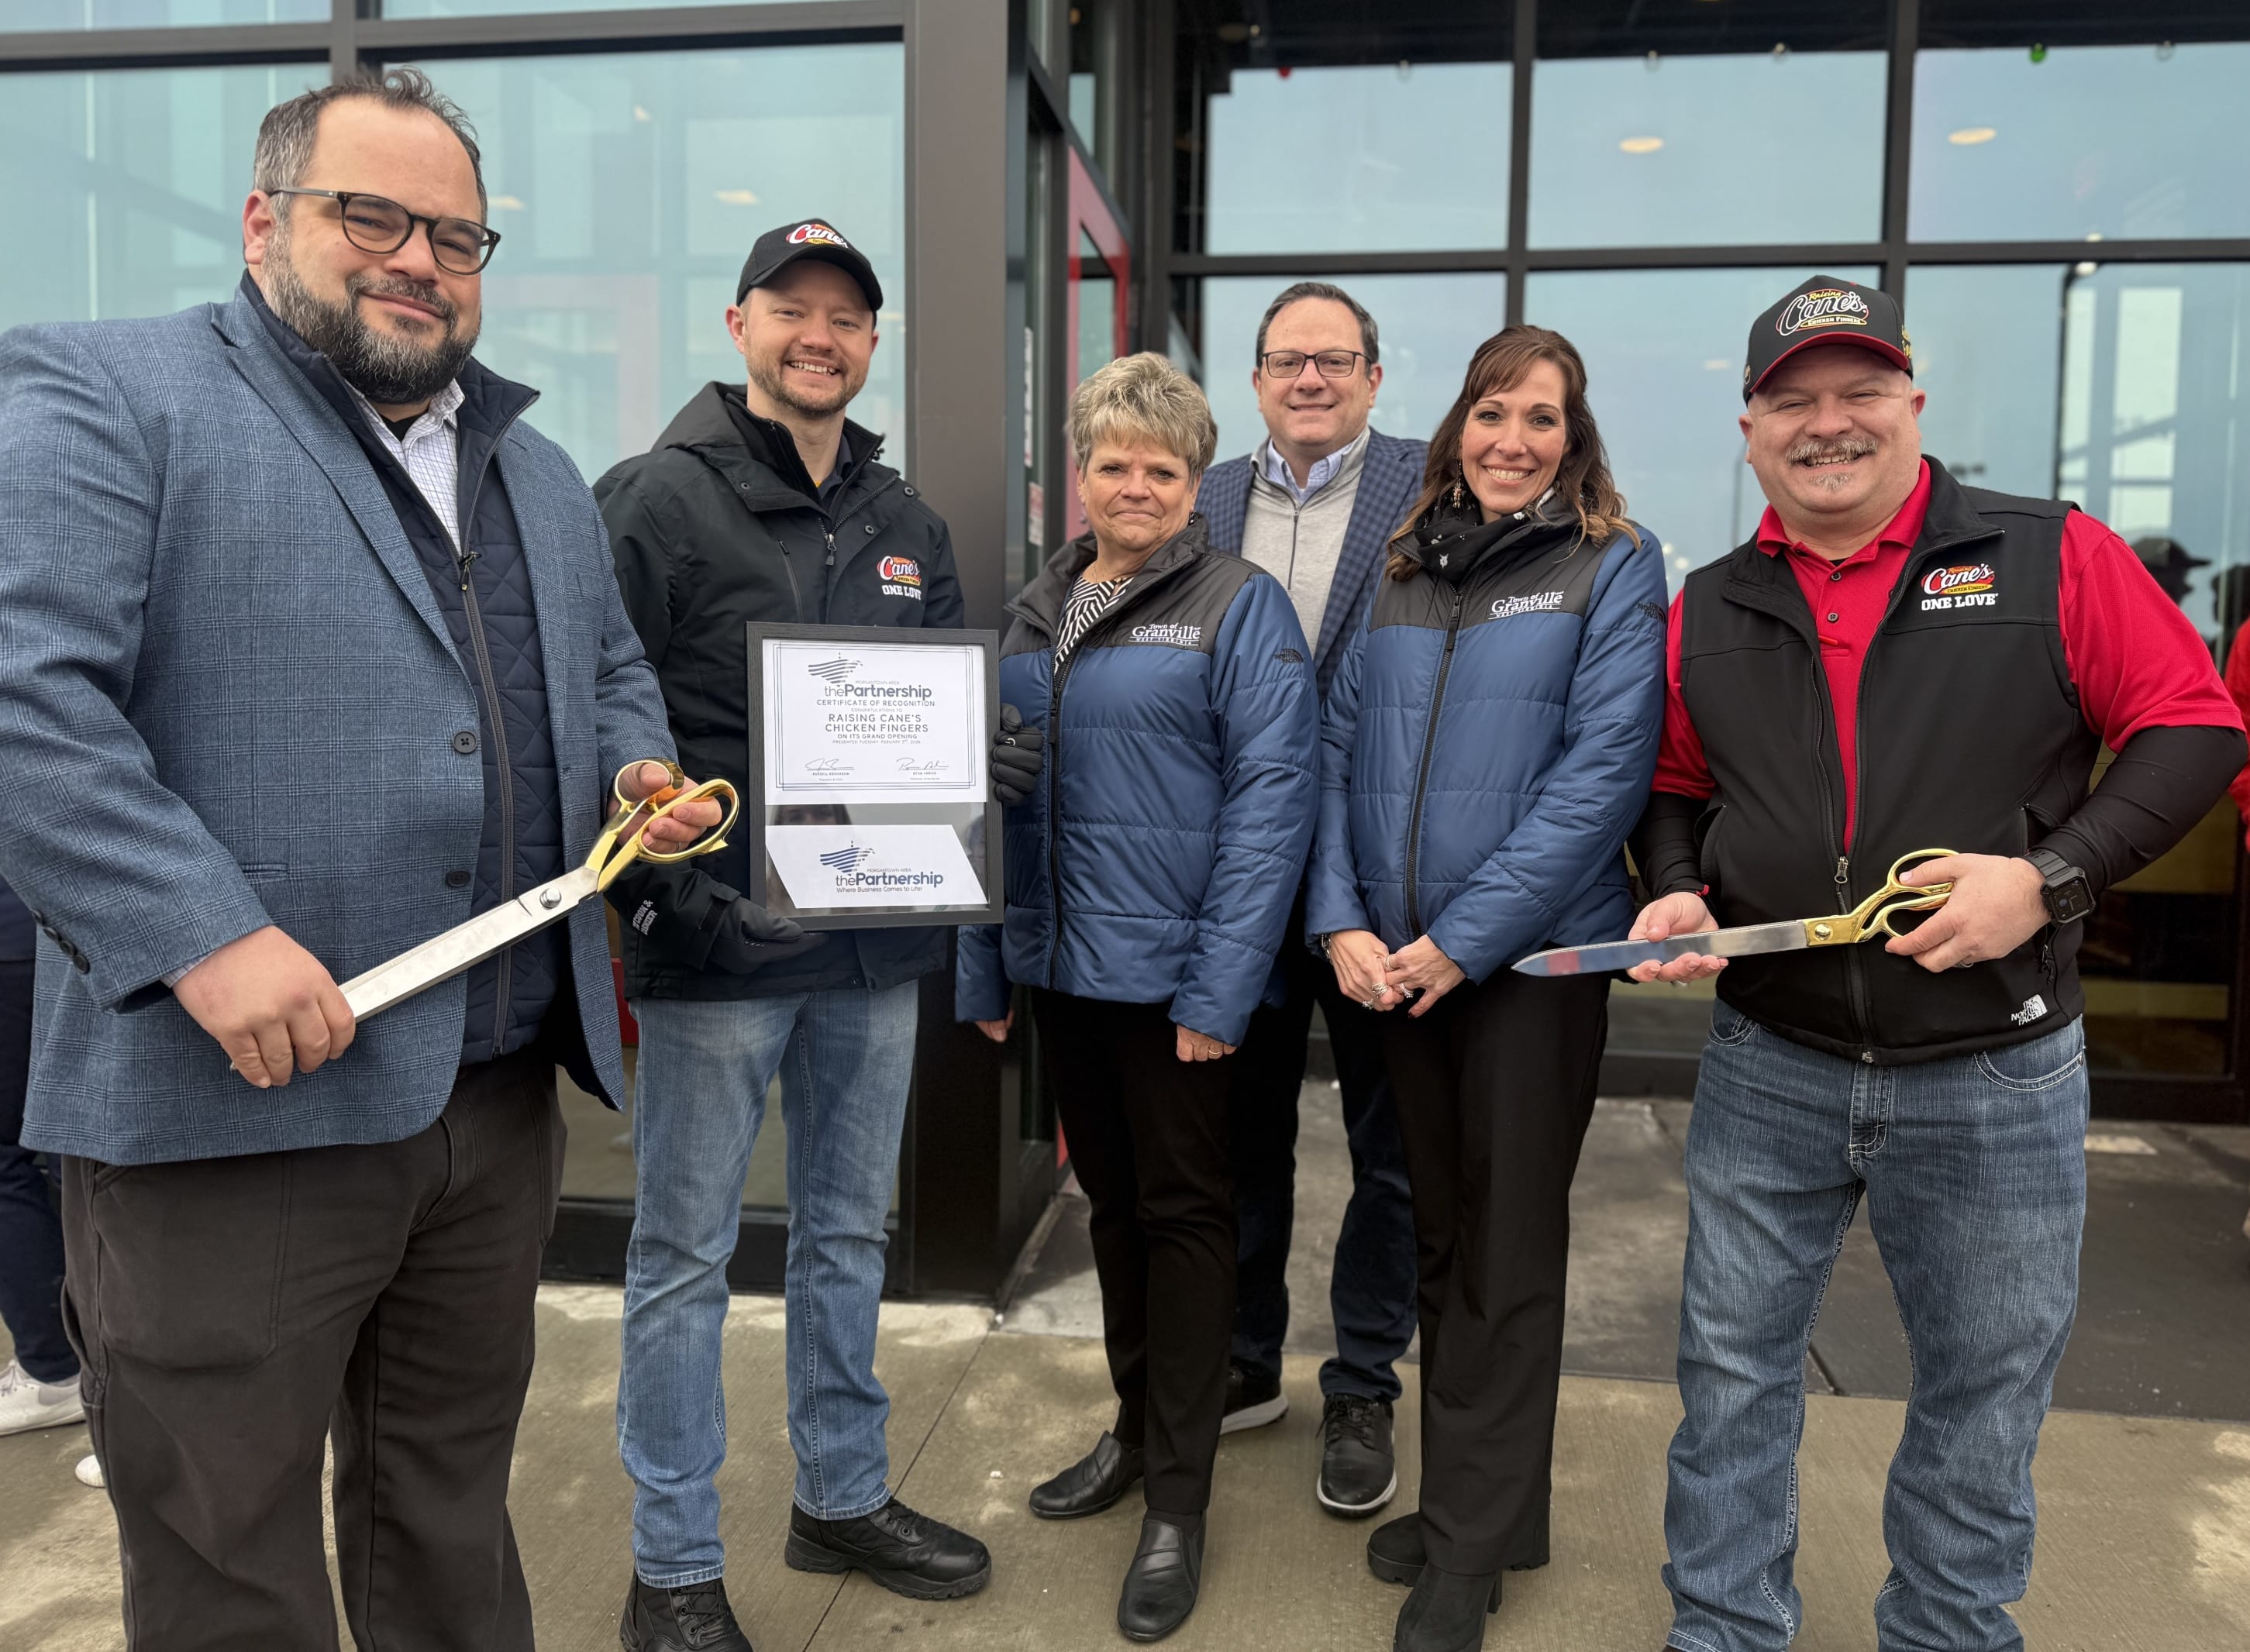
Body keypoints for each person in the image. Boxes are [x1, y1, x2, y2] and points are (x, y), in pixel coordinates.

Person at [0, 70, 717, 1650]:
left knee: (447, 1518)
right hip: (230, 1109)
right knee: (229, 1566)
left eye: (455, 235)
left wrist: (635, 773)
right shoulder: (110, 392)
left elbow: (606, 672)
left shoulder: (536, 468)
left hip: (494, 1101)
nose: (418, 260)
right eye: (371, 217)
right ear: (265, 221)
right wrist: (198, 931)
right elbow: (23, 699)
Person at [1629, 275, 2248, 1652]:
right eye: (1792, 401)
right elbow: (1673, 783)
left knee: (1980, 1387)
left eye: (1857, 392)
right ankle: (1720, 1629)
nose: (1826, 423)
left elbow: (2194, 727)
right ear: (1749, 431)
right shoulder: (1709, 604)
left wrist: (2047, 879)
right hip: (1768, 1057)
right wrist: (1675, 889)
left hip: (1991, 1068)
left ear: (1909, 405)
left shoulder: (2048, 556)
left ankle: (1946, 1633)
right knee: (1728, 1375)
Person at [596, 218, 1033, 1650]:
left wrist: (982, 762)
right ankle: (671, 1569)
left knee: (846, 1234)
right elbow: (602, 708)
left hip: (871, 951)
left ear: (870, 342)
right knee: (683, 1258)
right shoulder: (656, 499)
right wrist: (672, 896)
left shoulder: (906, 524)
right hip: (719, 950)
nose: (819, 336)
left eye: (845, 317)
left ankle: (840, 1495)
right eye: (791, 309)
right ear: (740, 326)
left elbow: (944, 713)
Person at [1305, 325, 1666, 1652]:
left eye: (1540, 418)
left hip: (1525, 966)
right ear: (1457, 425)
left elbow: (1601, 775)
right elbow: (1332, 751)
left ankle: (1464, 1544)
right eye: (1492, 412)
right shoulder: (1403, 565)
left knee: (1505, 1250)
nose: (1512, 440)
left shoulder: (1611, 564)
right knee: (1441, 1239)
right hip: (1398, 969)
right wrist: (1338, 919)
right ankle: (1491, 1508)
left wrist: (1461, 939)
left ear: (1574, 439)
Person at [956, 353, 1317, 1643]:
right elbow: (984, 803)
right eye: (1113, 463)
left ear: (1193, 483)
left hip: (1177, 990)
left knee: (1184, 1220)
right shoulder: (1037, 607)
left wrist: (1220, 990)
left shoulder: (1238, 607)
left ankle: (1179, 1495)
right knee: (1111, 1210)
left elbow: (1274, 808)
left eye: (1161, 468)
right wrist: (984, 960)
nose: (1135, 486)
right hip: (1064, 973)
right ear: (1081, 473)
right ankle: (1131, 1424)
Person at [1194, 280, 1423, 1513]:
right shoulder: (1201, 499)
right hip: (1237, 877)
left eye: (1335, 360)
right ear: (1255, 381)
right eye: (1287, 360)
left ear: (1373, 379)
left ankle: (1363, 1384)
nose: (1310, 380)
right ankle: (1242, 1359)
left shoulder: (1434, 491)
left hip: (1379, 880)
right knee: (1240, 1140)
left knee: (1390, 1150)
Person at [0, 874, 82, 1445]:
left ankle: (55, 1369)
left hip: (18, 930)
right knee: (76, 1144)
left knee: (27, 1157)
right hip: (62, 923)